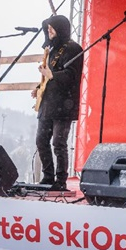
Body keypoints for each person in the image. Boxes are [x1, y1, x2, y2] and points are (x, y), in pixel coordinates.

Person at [31, 15, 83, 191]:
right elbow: (49, 76)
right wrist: (39, 88)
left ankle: (61, 181)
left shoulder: (74, 49)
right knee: (41, 141)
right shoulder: (52, 49)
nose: (49, 31)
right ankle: (48, 177)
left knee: (59, 144)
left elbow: (71, 75)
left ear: (60, 28)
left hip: (63, 104)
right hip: (47, 103)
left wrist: (51, 75)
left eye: (52, 28)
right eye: (47, 28)